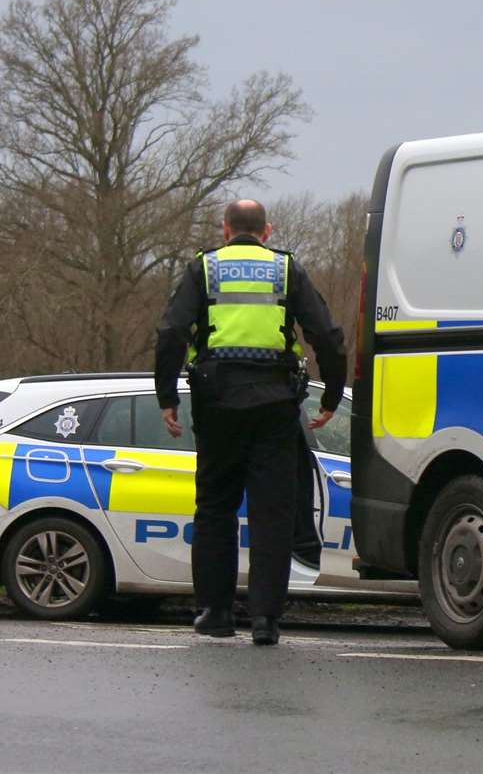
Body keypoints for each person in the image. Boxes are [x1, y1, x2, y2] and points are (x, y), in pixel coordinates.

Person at [153, 198, 347, 646]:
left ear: (224, 230)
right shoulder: (286, 270)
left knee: (216, 507)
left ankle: (216, 614)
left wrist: (167, 397)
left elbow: (171, 333)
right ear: (268, 231)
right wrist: (332, 397)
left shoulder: (203, 268)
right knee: (272, 513)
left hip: (217, 403)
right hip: (276, 405)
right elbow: (328, 337)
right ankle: (266, 621)